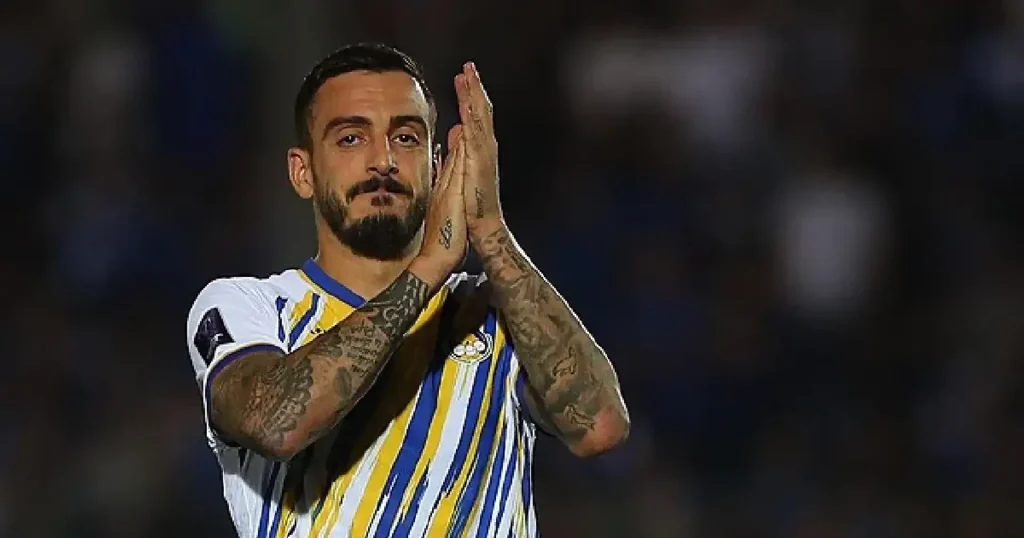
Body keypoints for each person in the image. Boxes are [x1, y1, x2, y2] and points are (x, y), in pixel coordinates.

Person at [185, 42, 629, 538]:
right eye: (351, 138)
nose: (384, 160)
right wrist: (428, 268)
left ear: (438, 166)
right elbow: (273, 424)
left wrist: (491, 231)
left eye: (406, 137)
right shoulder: (249, 307)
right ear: (302, 172)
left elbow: (600, 427)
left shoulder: (499, 312)